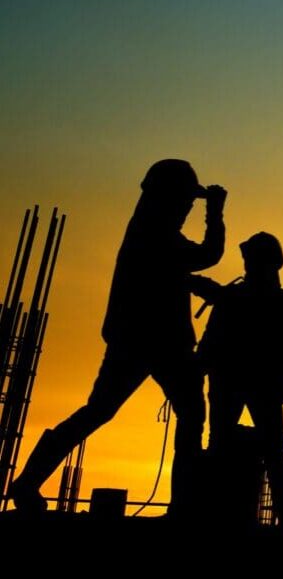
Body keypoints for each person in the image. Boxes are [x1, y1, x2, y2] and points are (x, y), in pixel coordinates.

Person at [9, 160, 225, 516]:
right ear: (168, 197)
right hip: (154, 342)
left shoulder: (151, 230)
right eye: (186, 200)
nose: (189, 206)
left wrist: (196, 285)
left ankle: (28, 482)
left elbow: (163, 275)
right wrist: (215, 213)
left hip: (139, 340)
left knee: (105, 412)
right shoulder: (154, 230)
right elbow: (206, 255)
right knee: (183, 414)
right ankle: (185, 506)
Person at [193, 232, 283, 524]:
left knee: (272, 450)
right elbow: (212, 338)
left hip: (255, 383)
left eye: (252, 259)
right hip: (235, 381)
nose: (248, 265)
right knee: (225, 446)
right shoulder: (243, 298)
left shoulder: (280, 303)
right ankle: (212, 513)